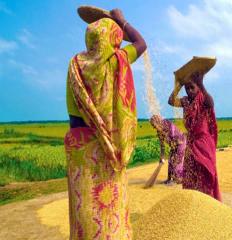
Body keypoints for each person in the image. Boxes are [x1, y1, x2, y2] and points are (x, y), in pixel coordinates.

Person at [64, 9, 146, 239]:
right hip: (107, 151)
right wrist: (122, 21)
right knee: (110, 210)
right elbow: (141, 42)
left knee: (85, 210)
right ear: (113, 39)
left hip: (79, 149)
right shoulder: (117, 61)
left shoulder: (74, 65)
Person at [168, 71, 221, 201]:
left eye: (192, 87)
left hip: (203, 142)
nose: (189, 90)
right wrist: (178, 85)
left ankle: (208, 200)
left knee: (205, 170)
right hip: (191, 142)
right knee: (191, 172)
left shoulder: (202, 98)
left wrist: (201, 84)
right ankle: (194, 202)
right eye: (187, 88)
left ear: (197, 87)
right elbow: (170, 101)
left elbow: (211, 103)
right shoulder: (185, 102)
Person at [149, 115, 186, 185]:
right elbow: (162, 146)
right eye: (152, 126)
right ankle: (169, 179)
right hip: (174, 145)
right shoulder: (159, 132)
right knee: (170, 160)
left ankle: (179, 179)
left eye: (154, 125)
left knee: (176, 160)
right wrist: (161, 157)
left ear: (158, 122)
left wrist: (174, 143)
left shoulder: (166, 123)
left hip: (180, 142)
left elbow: (172, 132)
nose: (154, 127)